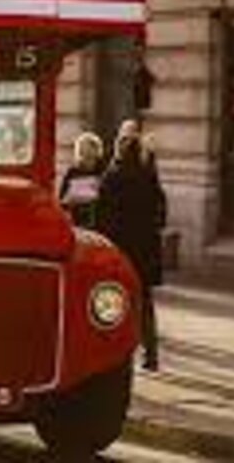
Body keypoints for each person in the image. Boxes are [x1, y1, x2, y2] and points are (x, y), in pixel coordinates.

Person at [98, 132, 167, 372]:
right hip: (145, 250)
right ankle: (151, 356)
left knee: (116, 303)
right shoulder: (149, 177)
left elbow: (101, 218)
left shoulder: (111, 178)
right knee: (145, 303)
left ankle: (118, 355)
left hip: (120, 249)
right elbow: (161, 212)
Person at [59, 133, 106, 230]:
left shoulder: (103, 170)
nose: (87, 154)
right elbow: (62, 199)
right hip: (78, 220)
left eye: (90, 150)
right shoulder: (73, 171)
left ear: (97, 151)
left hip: (99, 219)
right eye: (83, 151)